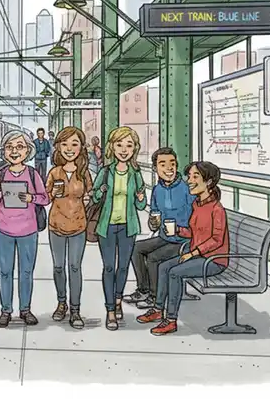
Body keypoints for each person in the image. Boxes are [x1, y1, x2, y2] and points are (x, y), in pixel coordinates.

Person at [137, 161, 229, 335]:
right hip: (198, 256)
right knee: (164, 267)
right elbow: (195, 232)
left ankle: (171, 320)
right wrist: (178, 230)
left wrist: (193, 253)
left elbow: (216, 240)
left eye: (195, 177)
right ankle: (158, 309)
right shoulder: (197, 205)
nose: (189, 180)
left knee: (174, 272)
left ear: (208, 182)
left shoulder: (217, 209)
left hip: (214, 260)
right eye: (189, 176)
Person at [0, 130, 49, 327]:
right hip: (3, 229)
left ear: (28, 151)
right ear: (3, 151)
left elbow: (45, 198)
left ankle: (25, 310)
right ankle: (6, 310)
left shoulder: (33, 174)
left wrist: (32, 198)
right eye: (9, 147)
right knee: (4, 272)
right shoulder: (0, 174)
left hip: (28, 230)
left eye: (20, 147)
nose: (14, 151)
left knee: (26, 272)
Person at [124, 147, 196, 309]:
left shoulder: (187, 189)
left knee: (153, 257)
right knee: (135, 248)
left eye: (172, 163)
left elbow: (197, 220)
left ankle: (155, 296)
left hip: (184, 240)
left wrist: (181, 229)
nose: (169, 168)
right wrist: (153, 223)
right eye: (163, 164)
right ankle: (143, 289)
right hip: (165, 237)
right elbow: (154, 218)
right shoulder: (157, 190)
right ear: (155, 169)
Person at [93, 126, 147, 330]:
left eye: (129, 145)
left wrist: (141, 197)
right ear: (112, 147)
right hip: (106, 227)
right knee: (108, 267)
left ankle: (117, 300)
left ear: (134, 149)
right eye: (119, 144)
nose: (124, 149)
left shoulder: (135, 173)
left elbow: (141, 204)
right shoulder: (105, 172)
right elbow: (95, 196)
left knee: (123, 267)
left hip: (128, 226)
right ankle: (110, 310)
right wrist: (101, 191)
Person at [45, 126, 93, 329]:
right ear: (58, 147)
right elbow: (44, 197)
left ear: (81, 147)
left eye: (74, 144)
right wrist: (52, 195)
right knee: (58, 267)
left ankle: (75, 309)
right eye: (64, 144)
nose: (69, 148)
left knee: (74, 267)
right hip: (56, 224)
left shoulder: (84, 173)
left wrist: (89, 198)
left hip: (78, 226)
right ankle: (61, 302)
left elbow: (91, 195)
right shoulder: (54, 172)